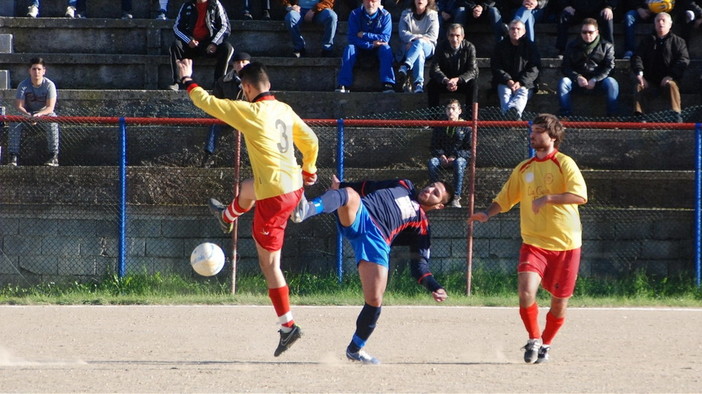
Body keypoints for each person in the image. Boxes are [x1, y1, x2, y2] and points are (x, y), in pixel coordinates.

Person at [177, 59, 319, 357]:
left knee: (270, 266)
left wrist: (187, 78)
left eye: (242, 87)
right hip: (292, 185)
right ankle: (226, 216)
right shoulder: (283, 109)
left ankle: (288, 325)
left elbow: (208, 102)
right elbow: (311, 140)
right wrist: (309, 169)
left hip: (276, 196)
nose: (241, 92)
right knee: (246, 187)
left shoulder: (250, 112)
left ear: (249, 87)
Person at [291, 175, 451, 364]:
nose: (429, 190)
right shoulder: (404, 185)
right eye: (431, 186)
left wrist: (434, 286)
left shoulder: (422, 225)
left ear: (439, 205)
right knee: (349, 194)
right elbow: (368, 186)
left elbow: (419, 265)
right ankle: (306, 209)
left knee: (375, 300)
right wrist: (341, 185)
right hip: (362, 214)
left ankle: (355, 349)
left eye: (436, 193)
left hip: (378, 241)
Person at [469, 113, 587, 364]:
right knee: (525, 292)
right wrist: (486, 213)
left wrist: (548, 198)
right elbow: (505, 198)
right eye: (531, 130)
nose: (531, 135)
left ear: (552, 136)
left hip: (567, 244)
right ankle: (533, 338)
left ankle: (546, 344)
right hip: (534, 243)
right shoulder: (524, 168)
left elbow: (580, 196)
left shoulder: (564, 163)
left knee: (559, 304)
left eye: (538, 131)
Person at [631, 12, 689, 123]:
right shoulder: (647, 41)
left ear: (670, 24)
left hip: (669, 79)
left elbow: (683, 60)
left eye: (663, 21)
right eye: (658, 21)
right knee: (639, 86)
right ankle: (639, 116)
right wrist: (640, 73)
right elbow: (637, 57)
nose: (660, 23)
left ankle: (676, 115)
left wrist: (671, 75)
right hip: (650, 80)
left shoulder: (679, 42)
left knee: (672, 86)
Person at [558, 18, 618, 117]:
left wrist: (596, 79)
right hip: (578, 82)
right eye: (584, 32)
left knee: (612, 83)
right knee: (563, 82)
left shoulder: (607, 46)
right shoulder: (572, 45)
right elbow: (566, 66)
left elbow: (610, 67)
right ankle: (565, 116)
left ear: (597, 32)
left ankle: (612, 117)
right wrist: (577, 77)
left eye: (590, 32)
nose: (587, 35)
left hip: (599, 81)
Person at [169, 0, 234, 90]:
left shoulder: (215, 4)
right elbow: (177, 28)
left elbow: (225, 26)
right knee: (176, 45)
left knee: (227, 48)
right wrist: (188, 40)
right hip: (191, 44)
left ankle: (218, 83)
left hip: (209, 44)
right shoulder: (187, 5)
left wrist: (214, 43)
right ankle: (178, 82)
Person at [201, 51, 252, 168]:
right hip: (228, 115)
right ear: (233, 65)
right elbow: (216, 101)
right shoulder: (223, 81)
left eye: (244, 62)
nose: (241, 65)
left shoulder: (255, 81)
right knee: (215, 124)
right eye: (238, 63)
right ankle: (208, 156)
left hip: (248, 116)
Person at [8, 57, 60, 167]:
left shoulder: (49, 85)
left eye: (39, 69)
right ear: (29, 71)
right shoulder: (23, 85)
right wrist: (27, 115)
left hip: (44, 113)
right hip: (26, 114)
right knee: (14, 120)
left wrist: (39, 114)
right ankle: (13, 156)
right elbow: (19, 106)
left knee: (53, 118)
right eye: (34, 69)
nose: (36, 72)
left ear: (44, 71)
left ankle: (53, 156)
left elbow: (50, 107)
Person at [336, 0, 396, 93]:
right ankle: (343, 83)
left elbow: (385, 38)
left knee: (386, 49)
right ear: (363, 1)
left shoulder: (386, 15)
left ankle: (388, 83)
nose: (370, 4)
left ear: (379, 2)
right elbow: (352, 38)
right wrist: (371, 44)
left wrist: (364, 35)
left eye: (374, 1)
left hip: (378, 49)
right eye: (367, 1)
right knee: (349, 49)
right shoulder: (355, 14)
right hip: (359, 47)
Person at [490, 19, 541, 120]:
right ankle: (514, 118)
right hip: (504, 82)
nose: (515, 31)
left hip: (526, 84)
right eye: (512, 28)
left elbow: (534, 68)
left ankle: (509, 115)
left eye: (518, 29)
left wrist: (521, 82)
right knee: (505, 93)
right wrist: (508, 80)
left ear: (524, 31)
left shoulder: (531, 47)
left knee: (522, 92)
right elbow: (496, 66)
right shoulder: (500, 46)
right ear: (508, 31)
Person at [427, 99, 471, 208]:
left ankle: (456, 197)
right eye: (448, 109)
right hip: (442, 158)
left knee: (459, 163)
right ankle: (436, 194)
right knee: (432, 162)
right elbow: (434, 146)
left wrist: (455, 156)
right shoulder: (440, 126)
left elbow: (469, 150)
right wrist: (441, 155)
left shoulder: (467, 127)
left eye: (453, 108)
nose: (450, 111)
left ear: (459, 111)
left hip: (458, 158)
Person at [427, 23, 478, 108]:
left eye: (457, 36)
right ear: (447, 36)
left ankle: (471, 119)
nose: (454, 39)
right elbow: (434, 69)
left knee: (473, 85)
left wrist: (458, 79)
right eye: (451, 35)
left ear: (462, 36)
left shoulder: (469, 47)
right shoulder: (441, 47)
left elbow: (473, 71)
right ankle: (433, 118)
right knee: (431, 85)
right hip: (445, 81)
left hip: (462, 82)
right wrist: (446, 80)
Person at [396, 0, 440, 93]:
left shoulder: (433, 15)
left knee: (420, 43)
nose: (420, 0)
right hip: (409, 46)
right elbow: (402, 33)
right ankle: (418, 85)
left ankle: (406, 66)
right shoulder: (405, 14)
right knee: (419, 54)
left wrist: (417, 40)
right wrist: (416, 39)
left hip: (428, 46)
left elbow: (433, 36)